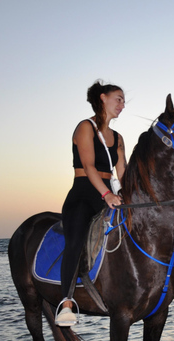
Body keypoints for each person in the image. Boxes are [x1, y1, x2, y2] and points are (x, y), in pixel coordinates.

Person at [55, 80, 126, 326]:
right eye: (119, 98)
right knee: (75, 242)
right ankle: (65, 304)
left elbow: (122, 171)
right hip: (84, 193)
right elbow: (88, 166)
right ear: (103, 98)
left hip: (110, 193)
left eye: (124, 101)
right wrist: (106, 195)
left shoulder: (118, 138)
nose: (122, 105)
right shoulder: (85, 127)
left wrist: (129, 195)